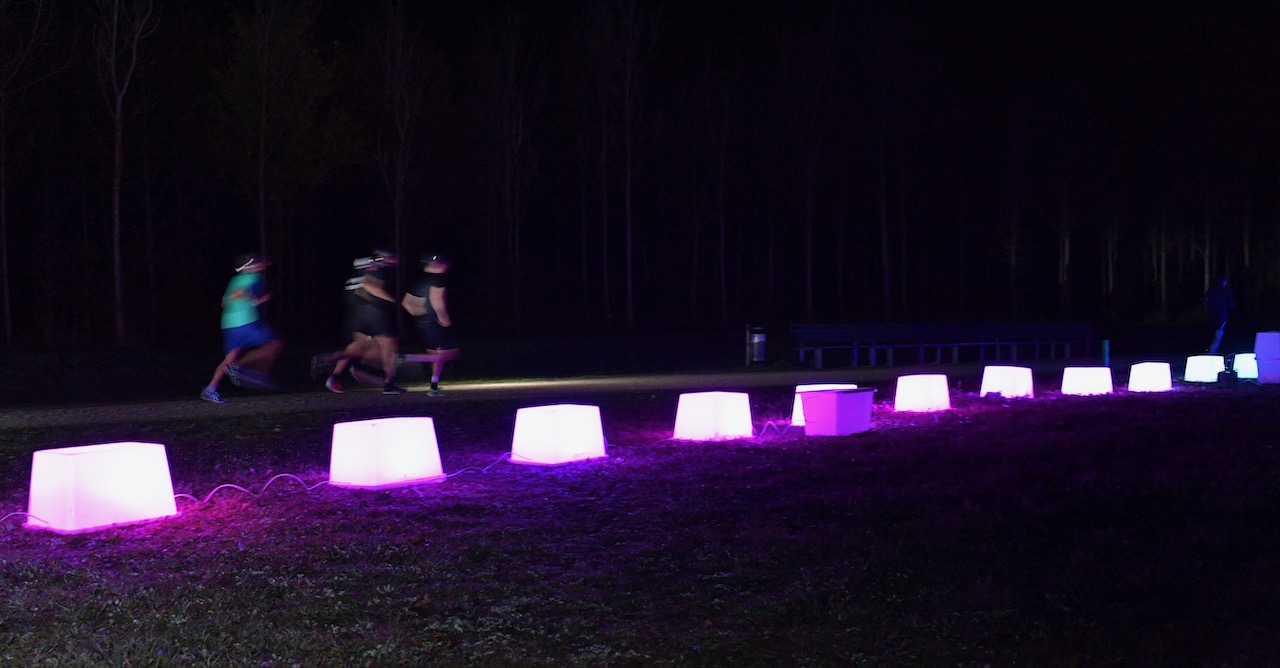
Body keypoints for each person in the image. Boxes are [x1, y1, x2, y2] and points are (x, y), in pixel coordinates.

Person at [316, 250, 406, 395]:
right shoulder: (374, 271)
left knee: (355, 349)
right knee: (388, 345)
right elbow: (370, 286)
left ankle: (332, 370)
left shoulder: (353, 278)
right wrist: (393, 302)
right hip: (372, 314)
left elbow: (348, 298)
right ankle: (389, 383)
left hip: (355, 316)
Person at [201, 254, 283, 403]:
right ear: (249, 267)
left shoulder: (234, 280)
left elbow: (224, 303)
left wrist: (251, 300)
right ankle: (240, 368)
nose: (260, 267)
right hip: (245, 322)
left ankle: (210, 389)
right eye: (257, 265)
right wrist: (257, 300)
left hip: (228, 324)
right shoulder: (253, 278)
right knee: (275, 343)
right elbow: (237, 294)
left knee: (230, 357)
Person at [402, 253, 460, 396]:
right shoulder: (438, 279)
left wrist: (419, 315)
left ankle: (434, 386)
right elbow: (437, 300)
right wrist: (443, 318)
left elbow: (406, 303)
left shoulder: (418, 281)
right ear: (436, 265)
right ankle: (405, 359)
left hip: (422, 321)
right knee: (450, 353)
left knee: (437, 354)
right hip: (434, 321)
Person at [1203, 275, 1235, 354]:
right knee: (1219, 334)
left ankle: (1214, 350)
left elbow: (1204, 300)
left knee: (1212, 333)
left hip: (1211, 315)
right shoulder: (1226, 291)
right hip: (1222, 315)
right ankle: (1212, 351)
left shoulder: (1211, 290)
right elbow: (1231, 304)